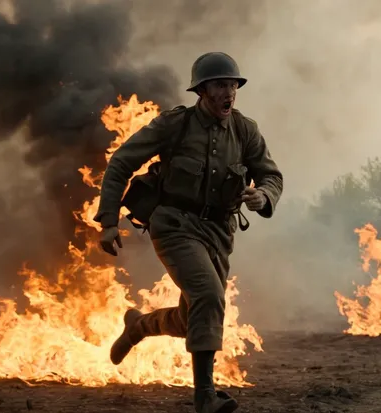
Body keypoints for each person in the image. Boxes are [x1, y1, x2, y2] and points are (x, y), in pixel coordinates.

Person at [93, 52, 283, 413]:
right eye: (219, 85)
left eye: (232, 85)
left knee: (192, 314)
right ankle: (205, 398)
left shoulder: (245, 131)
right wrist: (107, 222)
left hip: (219, 232)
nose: (228, 93)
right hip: (174, 225)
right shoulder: (174, 126)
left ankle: (138, 327)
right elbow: (121, 163)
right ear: (202, 90)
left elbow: (272, 175)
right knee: (209, 296)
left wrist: (263, 194)